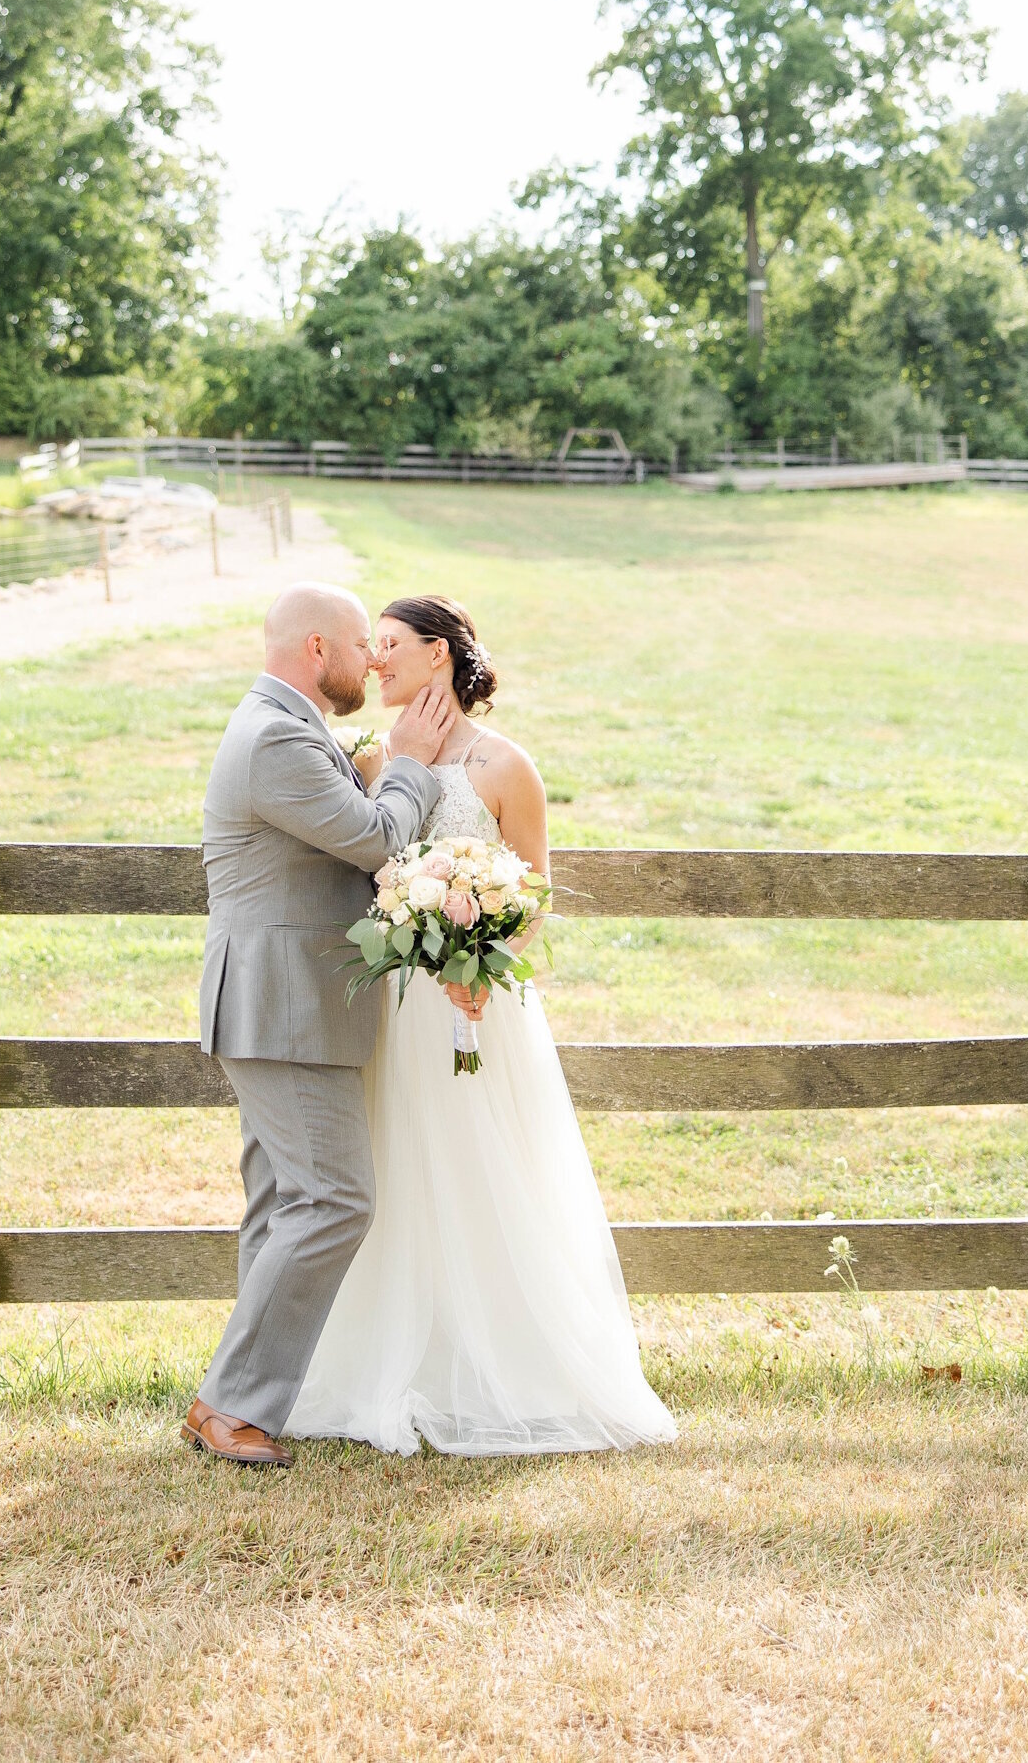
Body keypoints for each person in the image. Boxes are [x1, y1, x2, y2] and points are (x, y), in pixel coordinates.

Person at [286, 594, 676, 1455]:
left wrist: (486, 970)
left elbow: (534, 892)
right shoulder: (369, 760)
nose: (374, 661)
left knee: (485, 1172)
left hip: (475, 1009)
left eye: (389, 647)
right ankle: (391, 1361)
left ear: (438, 656)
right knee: (390, 1173)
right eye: (369, 647)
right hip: (389, 1006)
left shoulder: (505, 767)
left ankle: (499, 1363)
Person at [182, 583, 453, 1468]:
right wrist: (409, 761)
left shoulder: (288, 727)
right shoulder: (274, 740)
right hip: (284, 1007)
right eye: (356, 644)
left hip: (280, 1006)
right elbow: (379, 841)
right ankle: (230, 1405)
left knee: (280, 1206)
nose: (372, 662)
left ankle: (243, 1400)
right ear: (313, 651)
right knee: (338, 1200)